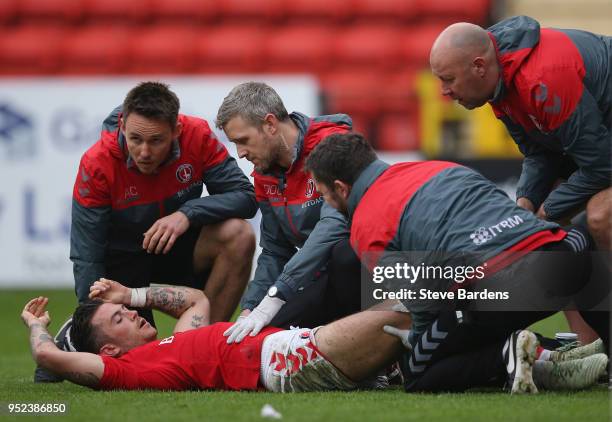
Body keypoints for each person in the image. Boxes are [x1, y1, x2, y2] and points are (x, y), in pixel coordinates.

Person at [304, 132, 609, 392]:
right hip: (564, 257)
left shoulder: (366, 225)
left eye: (324, 194)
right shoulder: (437, 167)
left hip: (498, 290)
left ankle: (506, 354)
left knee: (418, 371)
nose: (327, 204)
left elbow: (420, 299)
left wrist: (420, 341)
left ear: (341, 188)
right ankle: (573, 354)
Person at [22, 280, 604, 393]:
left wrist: (135, 296)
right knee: (412, 298)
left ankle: (548, 360)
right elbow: (49, 362)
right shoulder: (132, 371)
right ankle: (522, 336)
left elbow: (197, 300)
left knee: (417, 349)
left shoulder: (172, 344)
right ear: (109, 352)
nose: (134, 319)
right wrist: (38, 330)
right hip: (287, 361)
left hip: (295, 343)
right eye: (122, 322)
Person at [70, 81, 258, 324]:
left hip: (176, 251)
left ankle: (202, 346)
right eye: (135, 139)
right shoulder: (97, 163)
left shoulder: (196, 136)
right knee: (137, 358)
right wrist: (93, 317)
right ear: (122, 126)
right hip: (121, 266)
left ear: (177, 130)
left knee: (239, 233)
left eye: (156, 140)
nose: (144, 152)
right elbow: (87, 256)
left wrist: (187, 214)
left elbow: (245, 196)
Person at [428, 16, 611, 251]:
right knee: (539, 212)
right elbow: (539, 153)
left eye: (448, 79)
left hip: (603, 154)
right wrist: (525, 203)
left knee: (601, 215)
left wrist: (547, 211)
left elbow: (602, 166)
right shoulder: (499, 82)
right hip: (603, 139)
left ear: (479, 66)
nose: (444, 91)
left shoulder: (541, 80)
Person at [214, 82, 362, 343]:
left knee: (344, 253)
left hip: (365, 272)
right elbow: (274, 250)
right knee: (260, 337)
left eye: (243, 140)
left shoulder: (333, 145)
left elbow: (335, 225)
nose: (240, 153)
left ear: (270, 124)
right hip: (317, 279)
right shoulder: (264, 175)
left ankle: (377, 354)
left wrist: (278, 293)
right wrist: (250, 308)